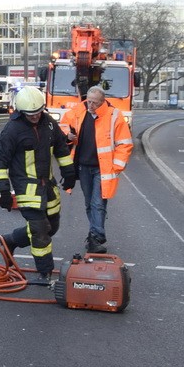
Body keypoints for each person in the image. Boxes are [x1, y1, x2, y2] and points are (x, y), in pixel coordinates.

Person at [0, 86, 76, 284]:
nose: (35, 117)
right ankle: (45, 273)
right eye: (31, 114)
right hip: (27, 188)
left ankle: (10, 240)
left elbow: (61, 148)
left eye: (39, 112)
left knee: (51, 227)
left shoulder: (48, 123)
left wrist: (69, 172)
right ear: (21, 112)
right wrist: (4, 191)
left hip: (49, 187)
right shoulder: (12, 130)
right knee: (39, 230)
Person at [59, 86, 133, 254]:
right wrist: (68, 136)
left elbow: (125, 144)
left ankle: (96, 237)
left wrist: (117, 167)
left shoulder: (114, 115)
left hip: (103, 168)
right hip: (84, 166)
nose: (90, 105)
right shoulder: (80, 109)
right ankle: (94, 234)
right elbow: (63, 125)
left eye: (94, 103)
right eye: (89, 101)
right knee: (88, 203)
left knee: (97, 203)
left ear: (102, 102)